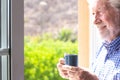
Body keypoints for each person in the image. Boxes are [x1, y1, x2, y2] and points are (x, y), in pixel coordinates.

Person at [57, 0, 120, 80]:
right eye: (93, 13)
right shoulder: (103, 49)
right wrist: (77, 74)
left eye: (100, 12)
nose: (94, 21)